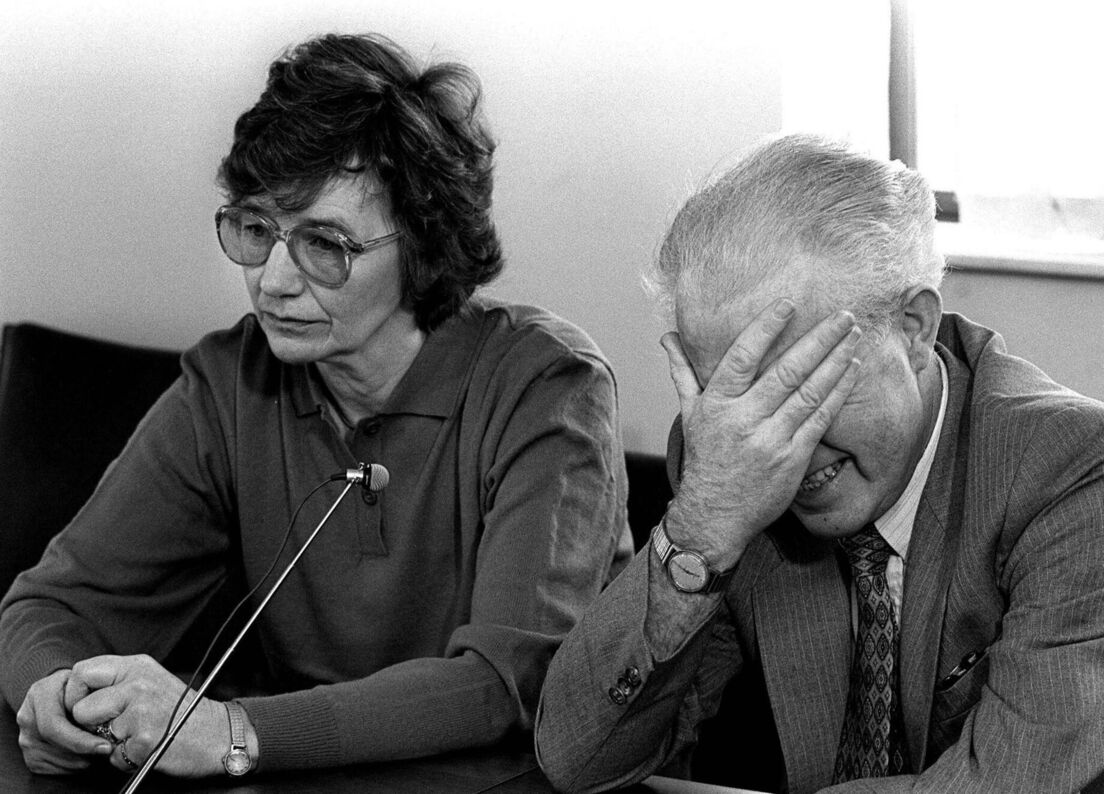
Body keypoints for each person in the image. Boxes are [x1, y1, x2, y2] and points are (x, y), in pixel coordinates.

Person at [0, 33, 632, 778]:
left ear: (425, 246)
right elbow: (46, 608)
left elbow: (505, 684)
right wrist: (58, 693)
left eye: (324, 245)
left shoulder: (549, 386)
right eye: (257, 230)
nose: (272, 282)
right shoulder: (232, 381)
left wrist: (232, 731)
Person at [535, 134, 1104, 793]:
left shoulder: (1072, 466)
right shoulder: (734, 462)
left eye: (806, 386)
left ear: (913, 328)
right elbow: (580, 759)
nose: (777, 438)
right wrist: (701, 527)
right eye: (734, 394)